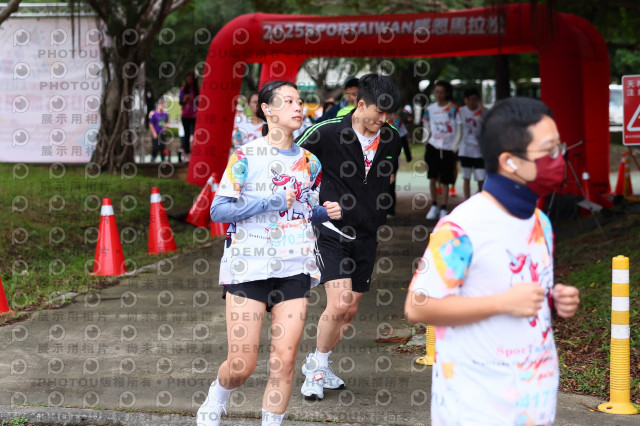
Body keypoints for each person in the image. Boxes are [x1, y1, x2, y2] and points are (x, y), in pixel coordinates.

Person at [404, 97, 580, 425]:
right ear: (509, 161)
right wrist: (503, 303)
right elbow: (417, 306)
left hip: (535, 404)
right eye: (549, 150)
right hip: (476, 408)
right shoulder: (462, 228)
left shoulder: (541, 223)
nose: (559, 158)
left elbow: (516, 293)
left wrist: (552, 302)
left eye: (560, 147)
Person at [196, 81, 342, 426]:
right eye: (288, 101)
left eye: (299, 101)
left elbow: (302, 210)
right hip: (248, 266)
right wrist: (270, 201)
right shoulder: (246, 156)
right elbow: (218, 210)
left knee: (285, 361)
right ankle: (218, 396)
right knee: (241, 366)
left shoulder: (310, 162)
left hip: (295, 267)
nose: (298, 107)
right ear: (267, 110)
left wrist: (324, 212)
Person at [295, 73, 402, 400]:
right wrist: (313, 205)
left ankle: (320, 360)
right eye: (379, 112)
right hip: (331, 230)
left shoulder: (391, 138)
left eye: (389, 114)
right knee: (339, 301)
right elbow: (290, 161)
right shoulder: (327, 131)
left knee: (350, 310)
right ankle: (316, 370)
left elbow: (384, 179)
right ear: (360, 104)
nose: (383, 120)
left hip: (367, 233)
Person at [422, 80, 462, 220]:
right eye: (436, 92)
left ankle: (444, 207)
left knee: (445, 180)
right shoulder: (430, 109)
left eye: (441, 92)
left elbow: (459, 128)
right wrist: (425, 140)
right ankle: (434, 205)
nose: (438, 94)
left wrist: (454, 147)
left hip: (448, 148)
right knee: (432, 178)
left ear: (447, 93)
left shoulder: (454, 109)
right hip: (433, 146)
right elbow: (426, 124)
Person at [458, 88, 488, 199]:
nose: (472, 102)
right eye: (469, 99)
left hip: (479, 151)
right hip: (465, 150)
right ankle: (466, 200)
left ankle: (479, 199)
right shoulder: (460, 111)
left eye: (474, 99)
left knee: (481, 178)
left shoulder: (484, 111)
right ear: (465, 100)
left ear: (478, 99)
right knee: (466, 178)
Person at [179, 70, 199, 161]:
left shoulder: (197, 90)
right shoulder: (183, 89)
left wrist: (192, 100)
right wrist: (185, 100)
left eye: (191, 79)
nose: (189, 80)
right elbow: (180, 102)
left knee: (195, 134)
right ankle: (187, 153)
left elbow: (200, 102)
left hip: (195, 115)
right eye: (188, 78)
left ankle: (196, 152)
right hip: (185, 115)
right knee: (186, 134)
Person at [148, 99, 169, 163]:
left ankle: (163, 158)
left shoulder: (165, 114)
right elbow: (151, 124)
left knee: (163, 146)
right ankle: (153, 158)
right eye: (161, 104)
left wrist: (166, 126)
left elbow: (166, 122)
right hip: (156, 132)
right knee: (155, 147)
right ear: (157, 105)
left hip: (162, 133)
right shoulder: (153, 114)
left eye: (163, 104)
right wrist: (154, 132)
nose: (162, 105)